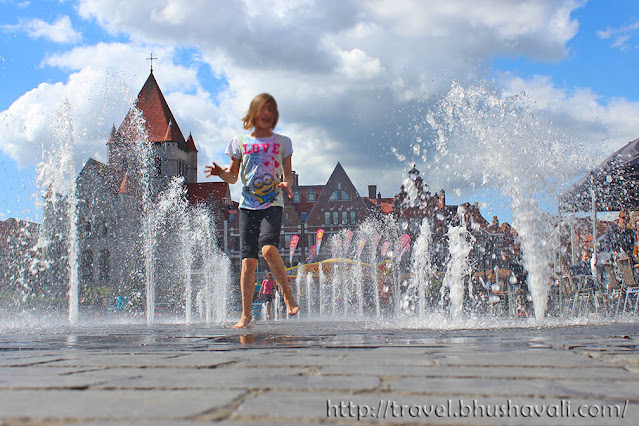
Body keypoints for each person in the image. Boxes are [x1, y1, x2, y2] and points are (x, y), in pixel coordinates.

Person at [205, 93, 300, 328]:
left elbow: (288, 173)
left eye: (270, 110)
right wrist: (221, 174)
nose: (266, 114)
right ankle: (246, 315)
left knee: (268, 249)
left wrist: (288, 183)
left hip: (272, 202)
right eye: (261, 110)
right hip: (247, 205)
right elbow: (233, 177)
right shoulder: (239, 142)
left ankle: (288, 296)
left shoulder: (283, 142)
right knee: (248, 262)